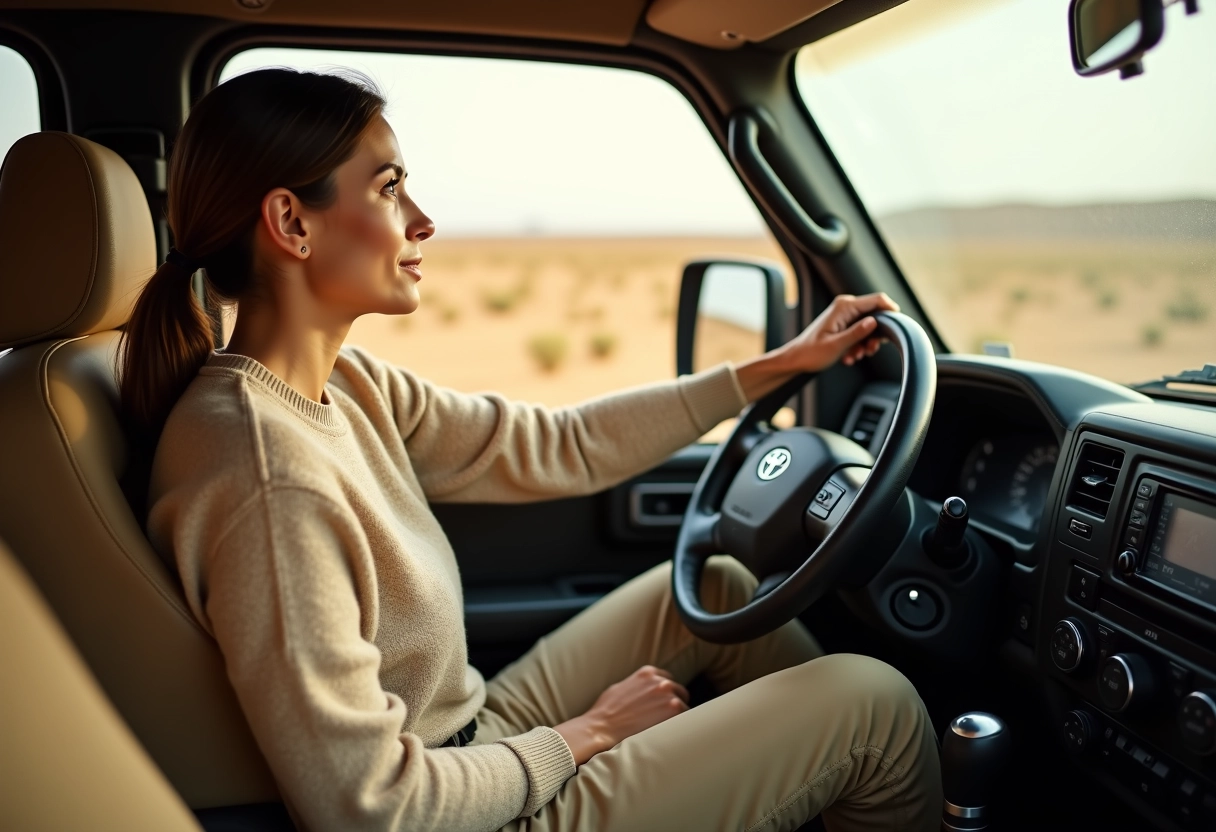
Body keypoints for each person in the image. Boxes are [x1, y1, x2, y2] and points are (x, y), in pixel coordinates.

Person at [125, 67, 941, 832]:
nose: (423, 219)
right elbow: (370, 809)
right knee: (873, 703)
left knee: (719, 591)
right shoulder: (267, 477)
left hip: (473, 735)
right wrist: (586, 735)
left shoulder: (346, 385)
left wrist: (780, 365)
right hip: (460, 805)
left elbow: (560, 444)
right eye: (389, 188)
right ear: (291, 224)